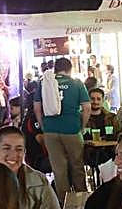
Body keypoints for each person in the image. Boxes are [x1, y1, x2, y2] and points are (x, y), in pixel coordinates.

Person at [33, 57, 91, 197]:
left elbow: (37, 108)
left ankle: (64, 205)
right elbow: (87, 108)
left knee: (59, 169)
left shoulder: (44, 83)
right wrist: (81, 127)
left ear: (55, 69)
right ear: (70, 69)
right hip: (72, 129)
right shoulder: (76, 83)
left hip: (51, 131)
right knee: (77, 166)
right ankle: (81, 201)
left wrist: (44, 126)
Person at [0, 126, 63, 209]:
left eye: (19, 149)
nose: (13, 154)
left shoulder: (38, 182)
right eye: (6, 148)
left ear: (24, 152)